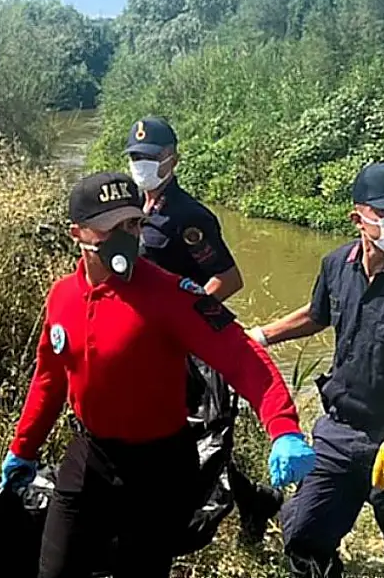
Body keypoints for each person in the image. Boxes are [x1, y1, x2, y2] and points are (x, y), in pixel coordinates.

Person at [0, 171, 317, 578]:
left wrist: (283, 428)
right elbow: (49, 379)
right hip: (91, 455)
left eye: (133, 223)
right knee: (56, 570)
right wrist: (23, 448)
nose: (127, 235)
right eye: (112, 225)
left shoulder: (173, 295)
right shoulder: (63, 296)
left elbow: (242, 357)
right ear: (78, 232)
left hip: (160, 467)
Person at [243, 162, 384, 578]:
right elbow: (317, 314)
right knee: (303, 535)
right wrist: (260, 335)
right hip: (340, 431)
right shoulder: (336, 265)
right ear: (358, 218)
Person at [124, 115, 283, 545]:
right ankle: (254, 500)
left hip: (181, 347)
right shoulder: (133, 210)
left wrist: (190, 317)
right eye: (135, 157)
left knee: (196, 433)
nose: (141, 164)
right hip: (141, 342)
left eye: (149, 157)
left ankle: (230, 505)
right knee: (191, 435)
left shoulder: (188, 217)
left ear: (171, 159)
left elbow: (227, 278)